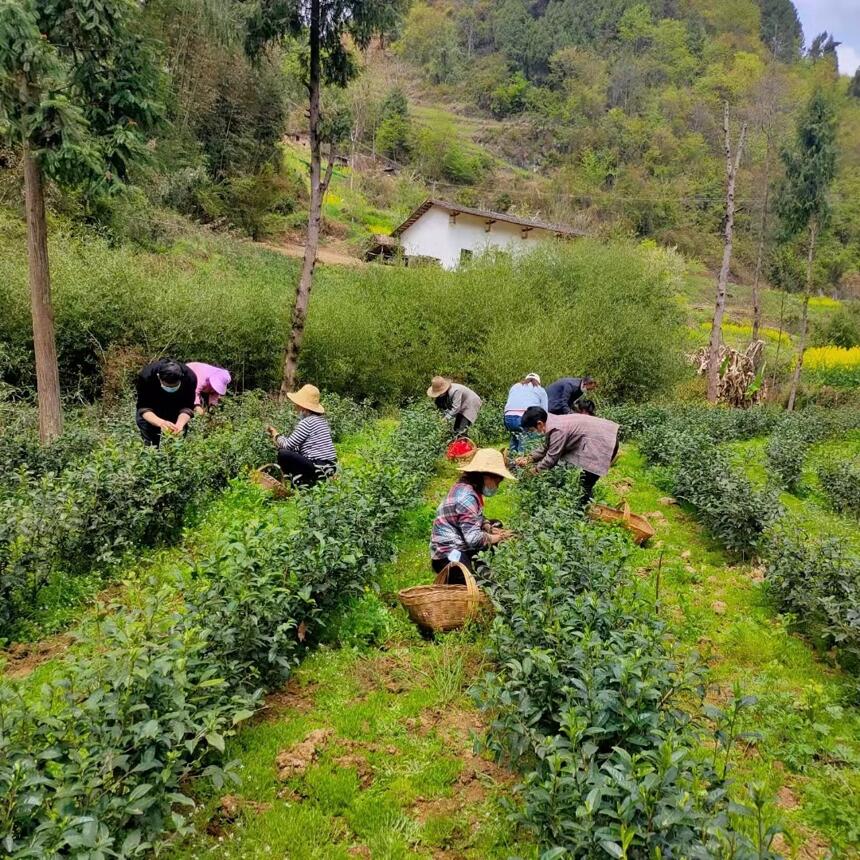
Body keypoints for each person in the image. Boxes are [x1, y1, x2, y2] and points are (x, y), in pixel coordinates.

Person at [430, 448, 516, 574]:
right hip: (448, 554)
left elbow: (476, 517)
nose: (497, 486)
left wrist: (487, 526)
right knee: (477, 581)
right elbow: (474, 539)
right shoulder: (467, 498)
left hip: (458, 538)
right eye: (497, 481)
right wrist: (499, 537)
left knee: (494, 523)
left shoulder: (467, 488)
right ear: (486, 477)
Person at [517, 406, 620, 505]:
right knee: (584, 482)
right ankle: (585, 507)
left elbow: (551, 458)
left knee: (585, 483)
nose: (533, 433)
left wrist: (534, 472)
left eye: (532, 430)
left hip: (603, 443)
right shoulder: (549, 420)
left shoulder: (558, 430)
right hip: (602, 437)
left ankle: (585, 512)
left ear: (539, 424)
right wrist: (529, 458)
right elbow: (546, 447)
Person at [267, 384, 337, 488]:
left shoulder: (307, 422)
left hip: (318, 466)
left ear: (303, 407)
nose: (295, 407)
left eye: (297, 405)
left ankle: (301, 484)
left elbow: (287, 445)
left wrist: (276, 435)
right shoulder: (322, 421)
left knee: (284, 454)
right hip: (331, 466)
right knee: (292, 453)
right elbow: (301, 446)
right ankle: (305, 483)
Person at [135, 358, 197, 446]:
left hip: (176, 406)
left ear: (181, 378)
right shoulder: (146, 376)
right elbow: (143, 408)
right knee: (151, 446)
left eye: (174, 386)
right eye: (167, 386)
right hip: (152, 408)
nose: (171, 389)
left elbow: (187, 407)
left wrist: (179, 425)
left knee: (177, 442)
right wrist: (161, 423)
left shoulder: (190, 377)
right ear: (158, 377)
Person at [503, 372, 548, 454]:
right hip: (524, 418)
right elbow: (544, 412)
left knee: (515, 437)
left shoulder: (515, 386)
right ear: (538, 381)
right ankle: (522, 462)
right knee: (526, 443)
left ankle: (510, 460)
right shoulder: (540, 389)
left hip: (508, 417)